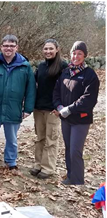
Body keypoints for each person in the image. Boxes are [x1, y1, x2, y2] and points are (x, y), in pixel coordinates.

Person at [0, 34, 36, 171]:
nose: (8, 48)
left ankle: (11, 161)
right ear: (1, 47)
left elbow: (31, 89)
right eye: (6, 46)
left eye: (11, 46)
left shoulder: (25, 66)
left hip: (14, 108)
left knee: (12, 139)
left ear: (17, 47)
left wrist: (27, 109)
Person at [52, 41, 99, 185]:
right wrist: (59, 106)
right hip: (65, 118)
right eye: (74, 53)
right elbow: (56, 92)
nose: (76, 56)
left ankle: (77, 180)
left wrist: (70, 109)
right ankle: (70, 176)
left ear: (84, 55)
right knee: (68, 148)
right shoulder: (66, 72)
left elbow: (88, 99)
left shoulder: (89, 74)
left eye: (79, 53)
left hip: (81, 119)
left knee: (75, 150)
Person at [30, 39, 68, 179]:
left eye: (51, 49)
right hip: (39, 108)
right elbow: (33, 84)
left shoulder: (63, 67)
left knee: (51, 139)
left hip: (53, 110)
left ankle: (48, 167)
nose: (48, 51)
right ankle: (38, 164)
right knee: (40, 138)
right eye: (45, 49)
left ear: (57, 49)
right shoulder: (41, 66)